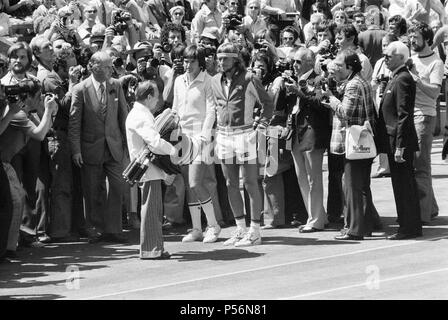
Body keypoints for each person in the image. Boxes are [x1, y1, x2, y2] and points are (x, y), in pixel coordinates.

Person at [211, 42, 274, 246]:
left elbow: (267, 102)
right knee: (230, 183)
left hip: (245, 134)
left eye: (225, 58)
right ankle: (240, 229)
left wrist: (262, 125)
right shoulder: (214, 81)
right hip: (223, 136)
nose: (221, 62)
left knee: (250, 182)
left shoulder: (249, 78)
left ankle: (255, 230)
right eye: (219, 58)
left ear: (235, 59)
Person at [68, 51, 128, 244]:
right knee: (92, 190)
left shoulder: (116, 85)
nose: (111, 69)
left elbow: (123, 116)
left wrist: (128, 144)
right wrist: (76, 150)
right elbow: (75, 123)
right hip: (91, 147)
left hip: (114, 145)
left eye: (111, 66)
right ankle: (95, 228)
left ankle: (114, 229)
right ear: (93, 67)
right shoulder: (80, 89)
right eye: (106, 66)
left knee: (117, 186)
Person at [323, 49, 381, 240]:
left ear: (349, 66)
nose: (335, 68)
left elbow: (346, 112)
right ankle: (364, 226)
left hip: (355, 142)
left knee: (352, 186)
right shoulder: (356, 82)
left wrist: (330, 99)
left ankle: (355, 229)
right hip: (361, 142)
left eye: (339, 65)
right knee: (361, 185)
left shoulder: (354, 85)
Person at [172, 45, 221, 243]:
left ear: (200, 63)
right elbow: (175, 109)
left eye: (192, 61)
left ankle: (213, 225)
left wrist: (204, 136)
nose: (187, 64)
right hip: (183, 138)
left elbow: (211, 111)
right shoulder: (178, 81)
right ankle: (196, 228)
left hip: (201, 138)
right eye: (185, 60)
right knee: (189, 185)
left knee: (195, 183)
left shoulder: (208, 81)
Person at [376, 41, 422, 240]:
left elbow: (404, 114)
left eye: (389, 55)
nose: (385, 58)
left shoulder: (403, 78)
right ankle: (406, 223)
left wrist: (400, 146)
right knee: (400, 185)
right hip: (393, 140)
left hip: (399, 142)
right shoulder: (395, 77)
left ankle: (409, 227)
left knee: (404, 186)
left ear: (401, 58)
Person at [125, 80, 175, 259]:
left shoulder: (139, 112)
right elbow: (154, 142)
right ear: (148, 97)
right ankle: (151, 249)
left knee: (152, 209)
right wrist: (173, 150)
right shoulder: (141, 115)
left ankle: (153, 247)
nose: (158, 100)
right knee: (152, 210)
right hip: (147, 167)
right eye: (156, 96)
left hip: (146, 166)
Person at [284, 47, 331, 232]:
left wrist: (298, 91)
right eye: (293, 62)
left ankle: (316, 220)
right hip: (296, 132)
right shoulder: (294, 79)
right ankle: (316, 215)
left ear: (310, 63)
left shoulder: (318, 80)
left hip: (312, 133)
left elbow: (320, 104)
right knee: (301, 177)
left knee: (313, 178)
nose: (294, 65)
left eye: (298, 61)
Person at [408, 22, 443, 223]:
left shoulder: (436, 63)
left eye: (416, 38)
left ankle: (422, 214)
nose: (412, 41)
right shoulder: (411, 59)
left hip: (425, 116)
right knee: (416, 164)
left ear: (427, 40)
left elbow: (434, 93)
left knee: (420, 166)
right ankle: (431, 208)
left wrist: (417, 79)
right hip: (409, 115)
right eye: (411, 38)